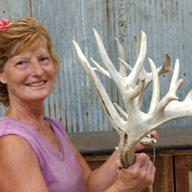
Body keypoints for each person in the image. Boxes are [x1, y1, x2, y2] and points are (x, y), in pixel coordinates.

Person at [0, 17, 156, 192]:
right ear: (2, 75)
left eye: (43, 59)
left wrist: (128, 145)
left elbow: (89, 185)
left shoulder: (52, 127)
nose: (38, 71)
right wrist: (123, 187)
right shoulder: (12, 143)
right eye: (22, 63)